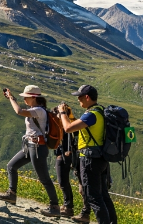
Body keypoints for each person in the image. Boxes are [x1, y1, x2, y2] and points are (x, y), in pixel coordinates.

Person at [57, 85, 117, 224]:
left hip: (90, 159)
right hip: (101, 157)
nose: (78, 99)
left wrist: (63, 113)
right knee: (103, 195)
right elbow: (80, 126)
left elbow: (68, 128)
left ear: (87, 97)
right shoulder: (100, 110)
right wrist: (70, 116)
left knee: (93, 197)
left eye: (80, 97)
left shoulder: (91, 114)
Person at [0, 85, 60, 217]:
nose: (24, 99)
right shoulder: (35, 109)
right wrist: (12, 97)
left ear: (34, 97)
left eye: (26, 97)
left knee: (44, 178)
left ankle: (55, 206)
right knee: (11, 166)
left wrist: (11, 98)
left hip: (37, 147)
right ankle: (11, 194)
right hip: (30, 145)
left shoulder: (39, 111)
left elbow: (19, 111)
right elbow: (22, 110)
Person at [54, 106, 87, 218]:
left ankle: (68, 207)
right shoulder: (73, 123)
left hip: (64, 155)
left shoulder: (63, 126)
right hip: (77, 155)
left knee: (63, 182)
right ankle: (82, 209)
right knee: (81, 183)